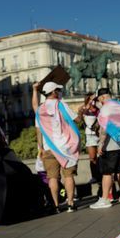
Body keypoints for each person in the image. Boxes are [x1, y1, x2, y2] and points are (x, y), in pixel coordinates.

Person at [32, 81, 81, 211]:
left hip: (49, 148)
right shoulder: (61, 105)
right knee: (69, 176)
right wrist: (81, 112)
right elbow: (77, 120)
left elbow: (38, 130)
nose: (59, 92)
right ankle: (70, 203)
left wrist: (41, 147)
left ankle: (56, 205)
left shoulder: (40, 110)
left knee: (52, 178)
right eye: (58, 90)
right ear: (53, 92)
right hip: (66, 148)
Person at [90, 89, 120, 209]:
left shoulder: (105, 108)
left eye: (99, 100)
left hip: (110, 146)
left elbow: (103, 129)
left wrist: (101, 144)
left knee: (107, 173)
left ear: (102, 98)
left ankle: (105, 199)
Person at [79, 92, 102, 197]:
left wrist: (96, 105)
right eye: (91, 99)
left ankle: (102, 174)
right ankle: (94, 176)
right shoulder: (84, 108)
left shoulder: (98, 108)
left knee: (101, 156)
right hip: (90, 135)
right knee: (92, 158)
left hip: (100, 134)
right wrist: (88, 105)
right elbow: (80, 114)